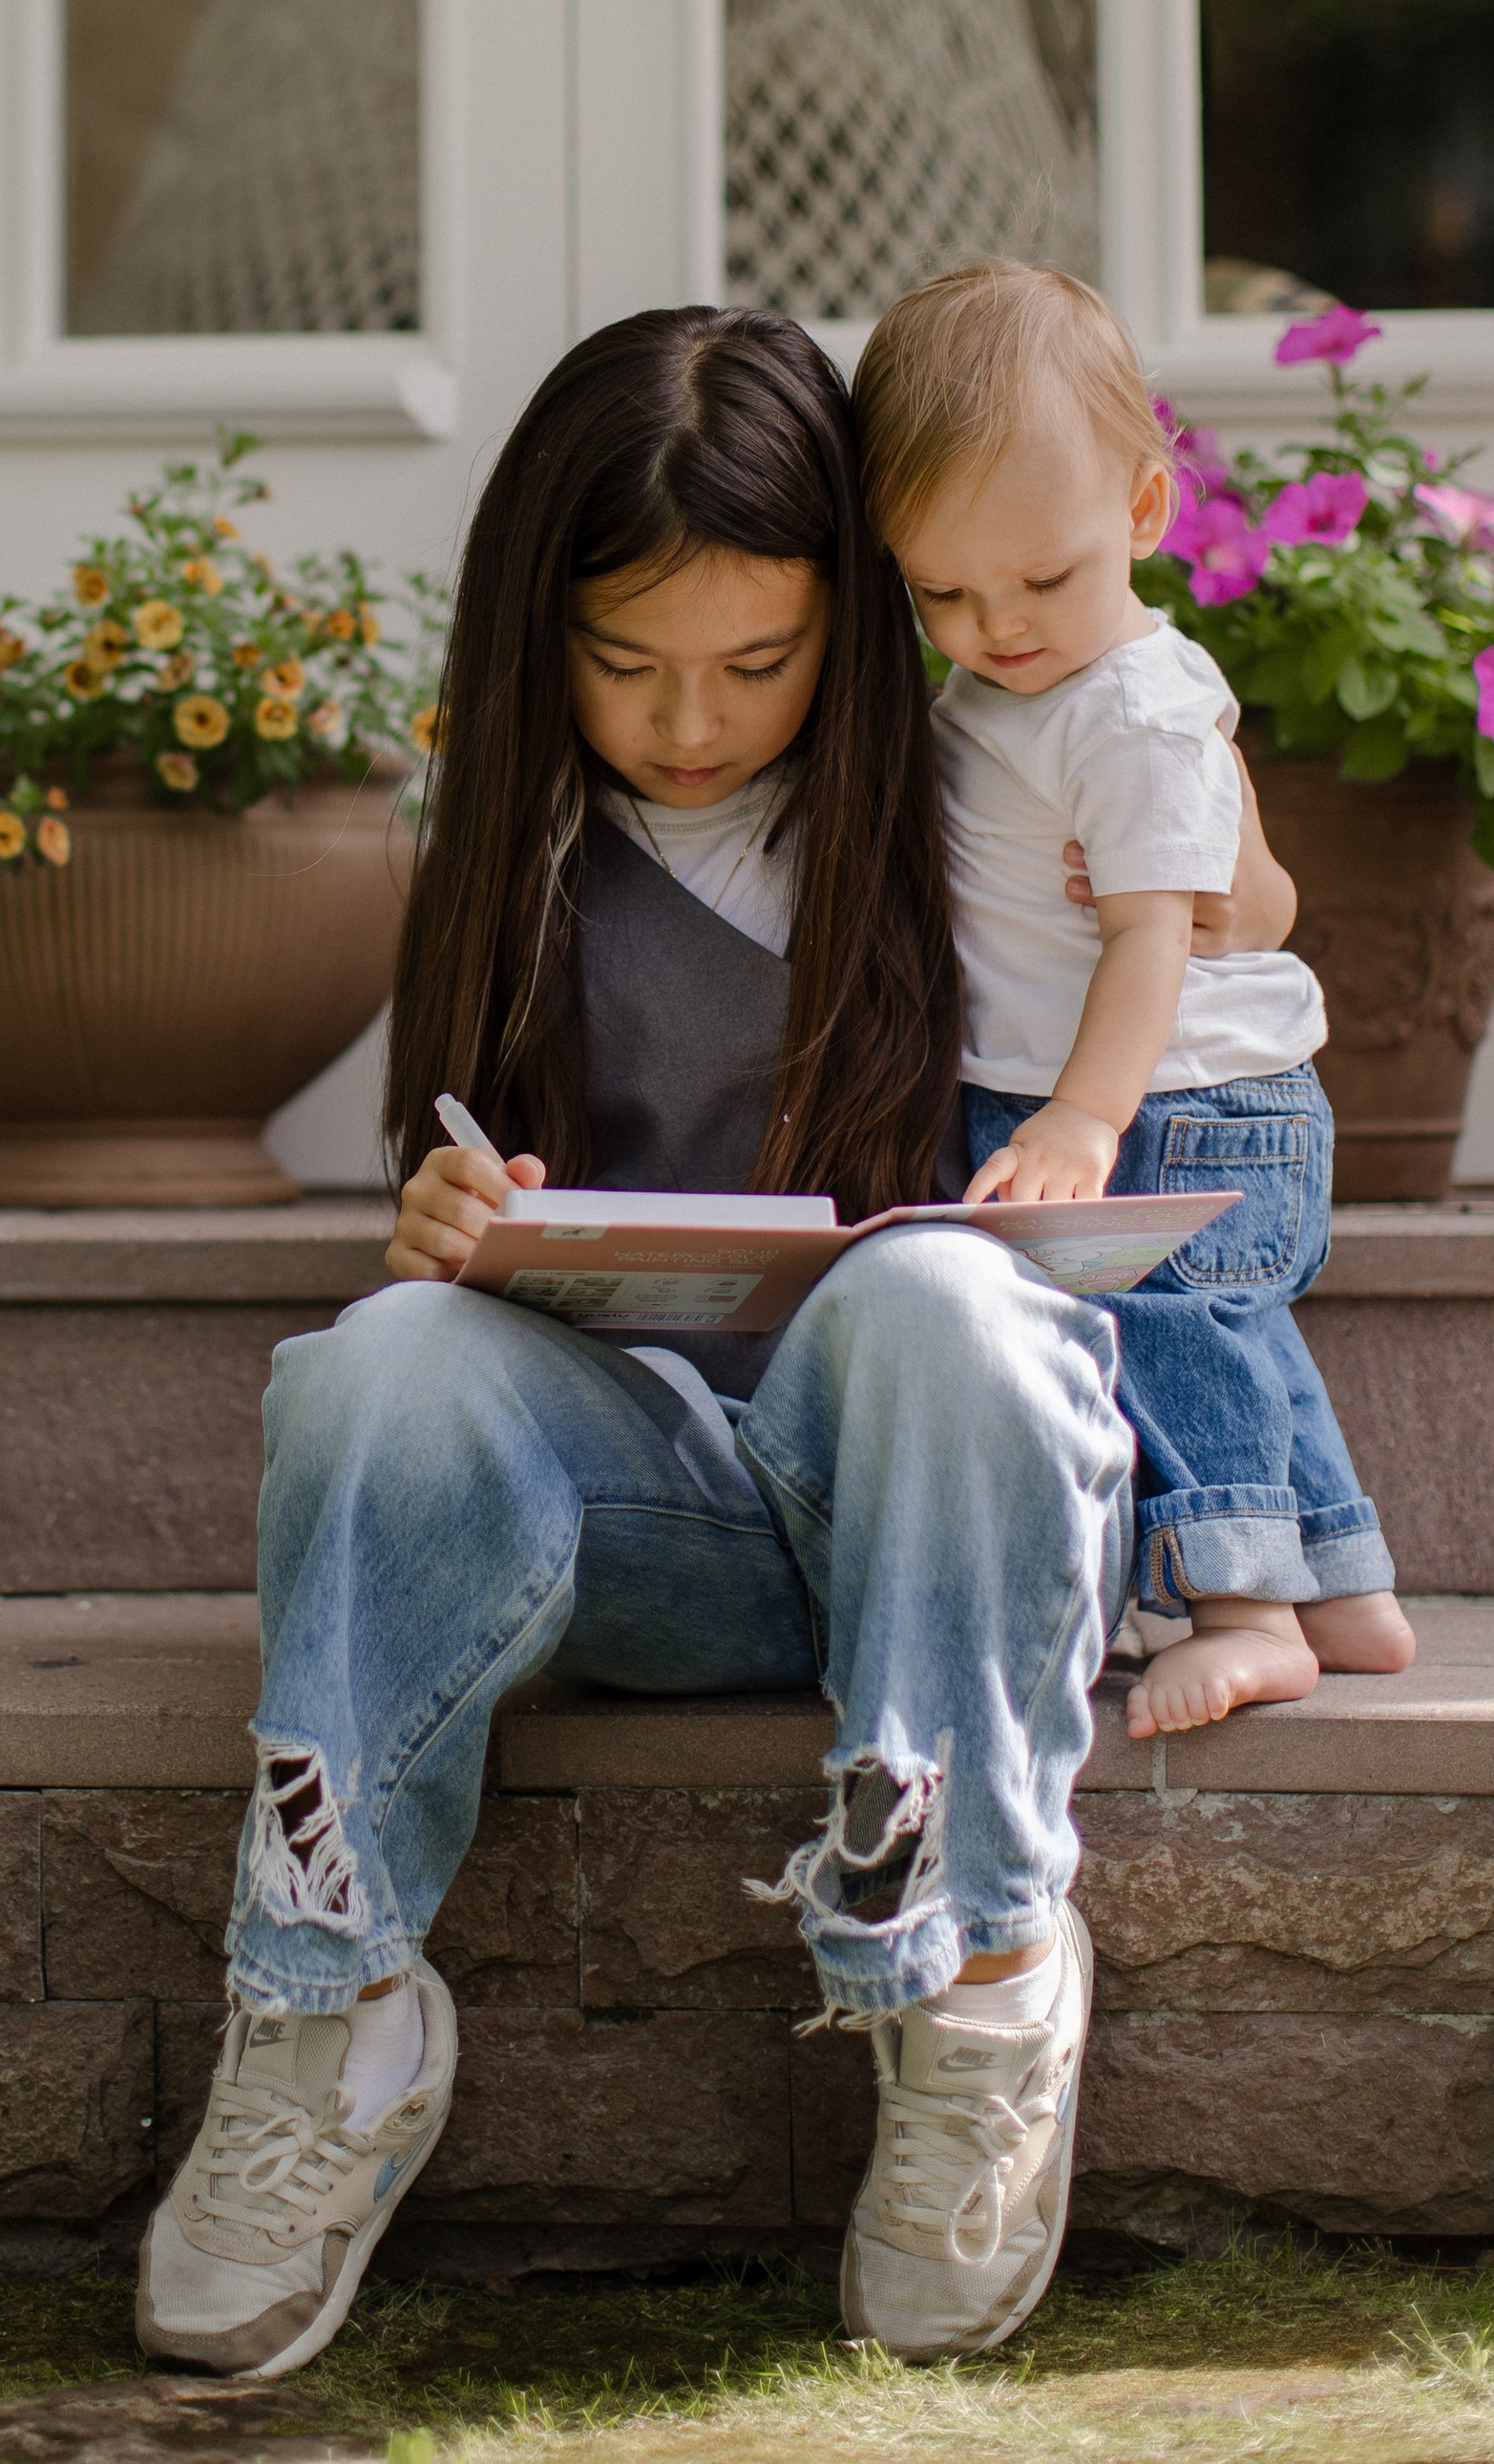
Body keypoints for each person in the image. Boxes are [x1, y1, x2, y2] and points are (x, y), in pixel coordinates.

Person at [135, 305, 1297, 2382]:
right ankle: (327, 2010)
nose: (689, 721)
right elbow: (489, 1211)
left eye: (758, 664)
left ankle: (979, 1968)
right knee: (378, 1355)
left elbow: (1235, 905)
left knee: (938, 1289)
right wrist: (454, 1227)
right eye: (621, 660)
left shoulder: (984, 774)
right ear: (531, 637)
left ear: (859, 620)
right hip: (664, 1521)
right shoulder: (532, 848)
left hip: (955, 1506)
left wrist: (1186, 827)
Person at [850, 262, 1417, 1742]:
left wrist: (1085, 1114)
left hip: (1178, 1101)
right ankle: (1345, 1583)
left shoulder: (1131, 705)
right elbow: (1256, 897)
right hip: (1153, 1094)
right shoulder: (1011, 689)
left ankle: (1247, 1616)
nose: (1000, 623)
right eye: (946, 592)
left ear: (1145, 515)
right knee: (1234, 1329)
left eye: (1043, 578)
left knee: (1165, 1326)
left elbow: (1156, 939)